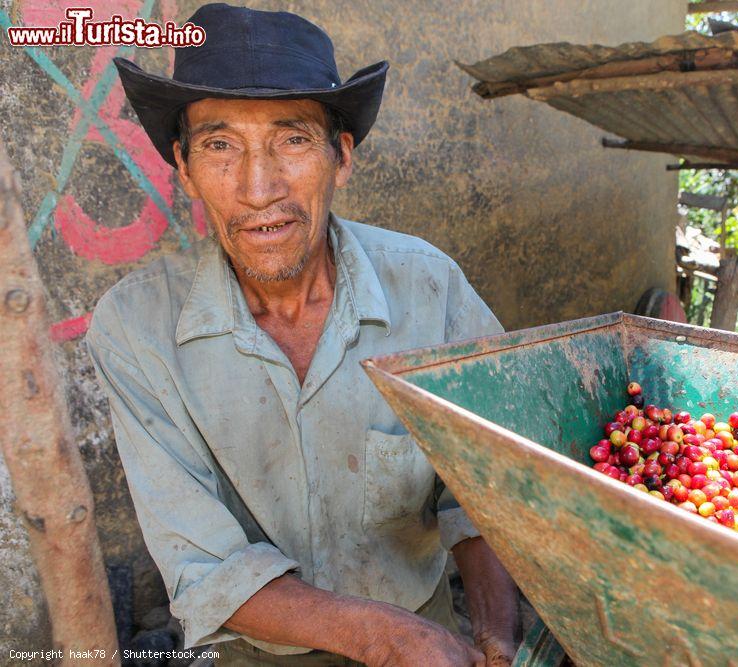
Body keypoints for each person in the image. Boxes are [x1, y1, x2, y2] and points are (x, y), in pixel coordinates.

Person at [86, 4, 519, 665]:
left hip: (430, 644)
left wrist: (496, 636)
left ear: (341, 156)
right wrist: (382, 635)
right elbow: (205, 564)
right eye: (220, 145)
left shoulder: (431, 289)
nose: (259, 189)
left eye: (291, 141)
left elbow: (484, 487)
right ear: (184, 165)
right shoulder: (136, 328)